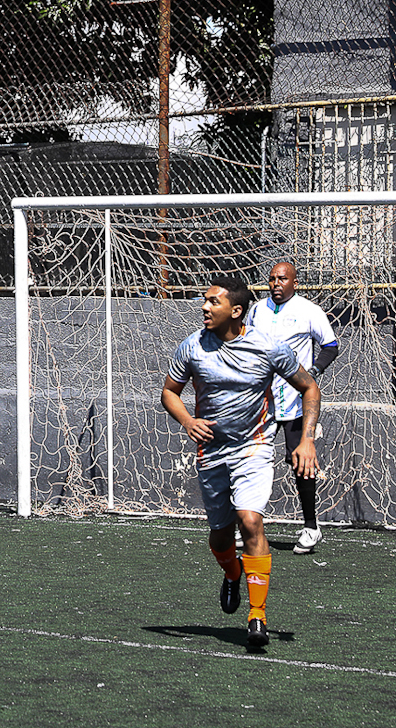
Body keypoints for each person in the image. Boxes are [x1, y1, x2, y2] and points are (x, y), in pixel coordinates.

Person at [161, 276, 320, 649]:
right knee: (220, 534)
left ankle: (257, 615)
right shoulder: (192, 347)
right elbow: (169, 392)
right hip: (212, 452)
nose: (204, 307)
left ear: (235, 310)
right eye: (204, 300)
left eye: (212, 302)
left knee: (250, 520)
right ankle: (232, 574)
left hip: (255, 446)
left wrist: (307, 440)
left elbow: (308, 386)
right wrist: (187, 420)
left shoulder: (266, 346)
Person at [244, 261, 339, 554]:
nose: (276, 283)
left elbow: (331, 346)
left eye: (282, 279)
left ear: (294, 283)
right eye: (272, 279)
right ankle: (247, 527)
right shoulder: (257, 310)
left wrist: (313, 372)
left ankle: (311, 528)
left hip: (297, 402)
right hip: (261, 401)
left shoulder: (309, 311)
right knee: (250, 461)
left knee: (301, 464)